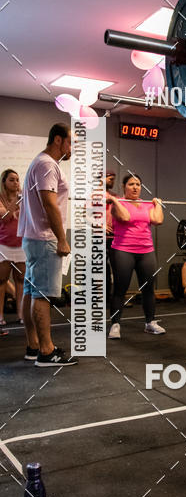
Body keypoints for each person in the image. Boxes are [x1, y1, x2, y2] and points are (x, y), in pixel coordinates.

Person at [18, 123, 77, 366]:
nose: (72, 148)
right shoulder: (47, 164)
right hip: (44, 239)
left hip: (34, 238)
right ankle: (46, 351)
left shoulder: (40, 163)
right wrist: (62, 239)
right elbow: (49, 204)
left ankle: (34, 346)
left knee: (31, 292)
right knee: (41, 296)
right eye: (70, 142)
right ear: (57, 141)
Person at [107, 174, 165, 339]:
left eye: (138, 184)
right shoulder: (117, 205)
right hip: (123, 250)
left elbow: (158, 220)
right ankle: (115, 324)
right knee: (120, 289)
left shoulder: (147, 205)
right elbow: (125, 217)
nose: (135, 187)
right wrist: (115, 200)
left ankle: (150, 323)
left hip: (146, 251)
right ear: (124, 187)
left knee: (148, 289)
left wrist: (158, 204)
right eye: (131, 184)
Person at [0, 169, 26, 327]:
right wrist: (16, 201)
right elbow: (4, 217)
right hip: (3, 245)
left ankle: (22, 314)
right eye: (11, 180)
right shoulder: (1, 199)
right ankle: (0, 316)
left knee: (21, 280)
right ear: (4, 182)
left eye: (17, 180)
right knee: (1, 280)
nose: (16, 183)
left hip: (21, 245)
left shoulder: (24, 198)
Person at [105, 170, 118, 305]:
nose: (112, 181)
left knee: (118, 268)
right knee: (103, 270)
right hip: (99, 239)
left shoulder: (116, 197)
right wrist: (100, 225)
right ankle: (104, 299)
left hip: (115, 238)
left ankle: (115, 298)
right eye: (110, 179)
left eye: (113, 179)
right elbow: (86, 216)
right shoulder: (94, 196)